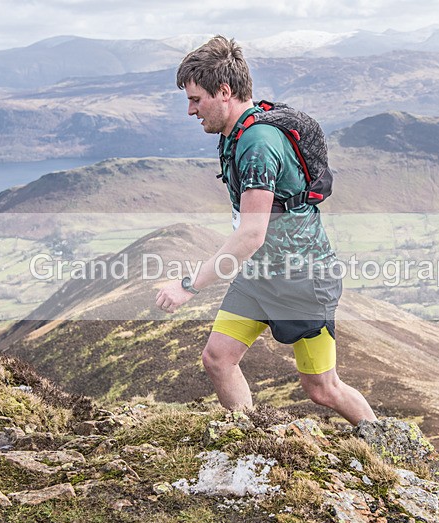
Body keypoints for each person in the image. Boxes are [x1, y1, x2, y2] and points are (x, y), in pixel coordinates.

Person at [155, 35, 376, 425]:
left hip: (302, 282)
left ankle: (387, 444)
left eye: (196, 100)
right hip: (260, 276)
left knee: (323, 389)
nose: (190, 110)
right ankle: (254, 439)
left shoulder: (257, 143)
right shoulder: (236, 133)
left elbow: (251, 234)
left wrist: (188, 286)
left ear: (225, 92)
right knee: (217, 359)